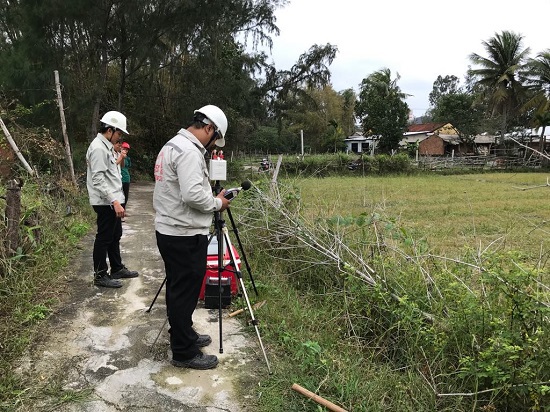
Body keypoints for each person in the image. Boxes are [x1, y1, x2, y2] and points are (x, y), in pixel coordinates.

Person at [153, 104, 231, 370]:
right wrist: (218, 203)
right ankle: (184, 353)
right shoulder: (188, 151)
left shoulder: (172, 145)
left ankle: (183, 335)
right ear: (208, 127)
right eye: (213, 138)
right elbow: (193, 195)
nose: (212, 145)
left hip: (170, 229)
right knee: (184, 293)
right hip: (183, 233)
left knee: (179, 289)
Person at [86, 111, 139, 288]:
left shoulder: (107, 147)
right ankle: (100, 275)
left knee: (115, 235)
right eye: (118, 133)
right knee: (104, 237)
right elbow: (98, 180)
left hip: (113, 200)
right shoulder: (99, 149)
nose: (119, 138)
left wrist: (119, 201)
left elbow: (112, 175)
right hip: (105, 202)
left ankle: (116, 268)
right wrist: (114, 202)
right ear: (109, 130)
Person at [120, 142, 132, 209]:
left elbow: (128, 166)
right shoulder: (118, 156)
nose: (125, 151)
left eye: (127, 149)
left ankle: (123, 210)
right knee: (120, 196)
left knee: (126, 196)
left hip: (126, 178)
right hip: (120, 179)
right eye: (124, 149)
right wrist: (122, 157)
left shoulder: (128, 158)